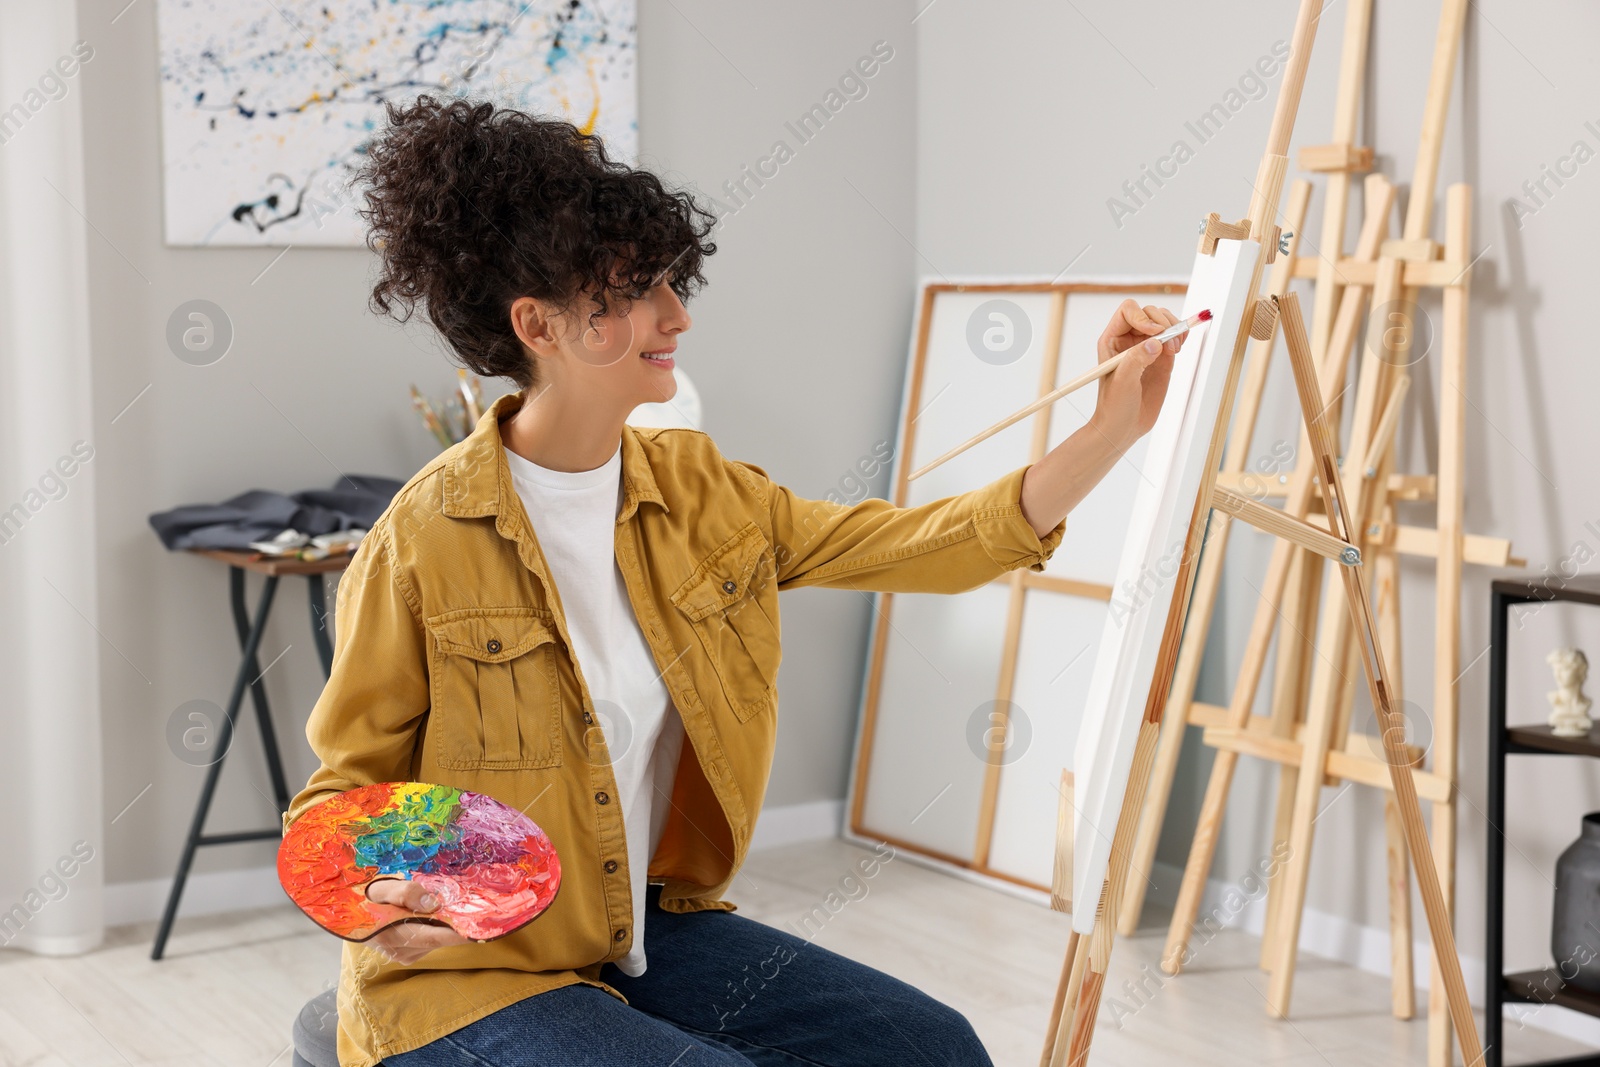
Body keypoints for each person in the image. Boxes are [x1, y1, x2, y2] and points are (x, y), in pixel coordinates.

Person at [283, 94, 1185, 1067]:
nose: (676, 315)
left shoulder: (700, 492)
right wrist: (376, 904)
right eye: (634, 293)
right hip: (468, 980)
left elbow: (929, 543)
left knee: (928, 1045)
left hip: (629, 931)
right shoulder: (423, 539)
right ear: (539, 324)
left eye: (671, 282)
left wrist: (1112, 427)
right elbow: (339, 798)